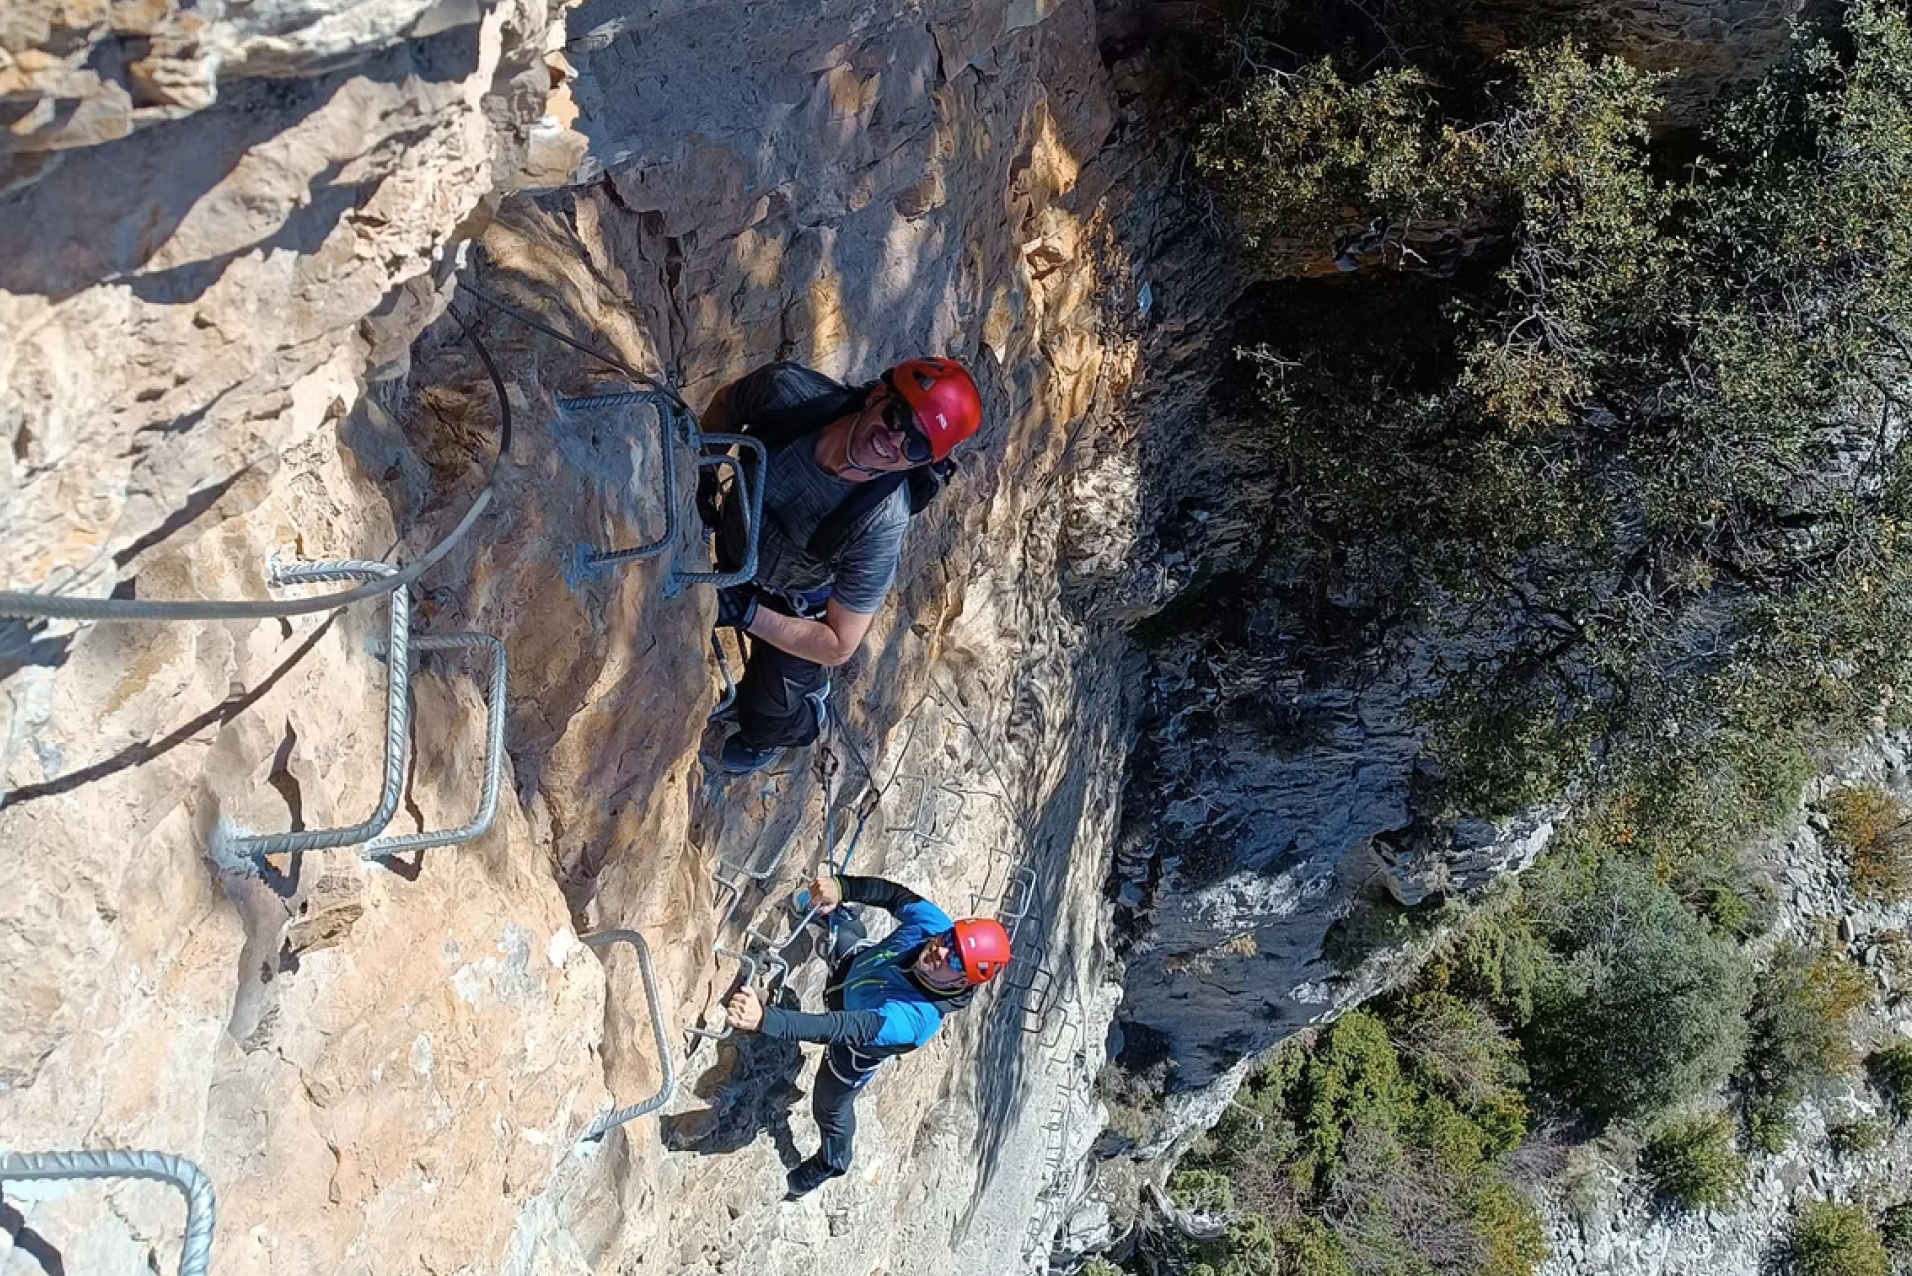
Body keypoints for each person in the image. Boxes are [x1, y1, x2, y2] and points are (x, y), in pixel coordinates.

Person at [700, 357, 983, 775]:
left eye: (917, 446)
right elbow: (728, 404)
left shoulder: (880, 522)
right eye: (897, 416)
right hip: (737, 545)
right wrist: (705, 474)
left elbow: (838, 644)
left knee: (764, 714)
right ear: (876, 395)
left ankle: (798, 724)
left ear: (921, 462)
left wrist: (745, 613)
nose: (895, 440)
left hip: (793, 607)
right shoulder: (789, 393)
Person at [723, 872, 1012, 1198]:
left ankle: (833, 1161)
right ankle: (833, 912)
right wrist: (842, 888)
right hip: (857, 967)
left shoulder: (912, 1021)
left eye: (956, 959)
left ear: (964, 982)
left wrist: (764, 1019)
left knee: (829, 1109)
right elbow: (894, 896)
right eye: (950, 939)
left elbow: (835, 1028)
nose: (941, 950)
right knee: (845, 932)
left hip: (850, 1051)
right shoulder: (935, 926)